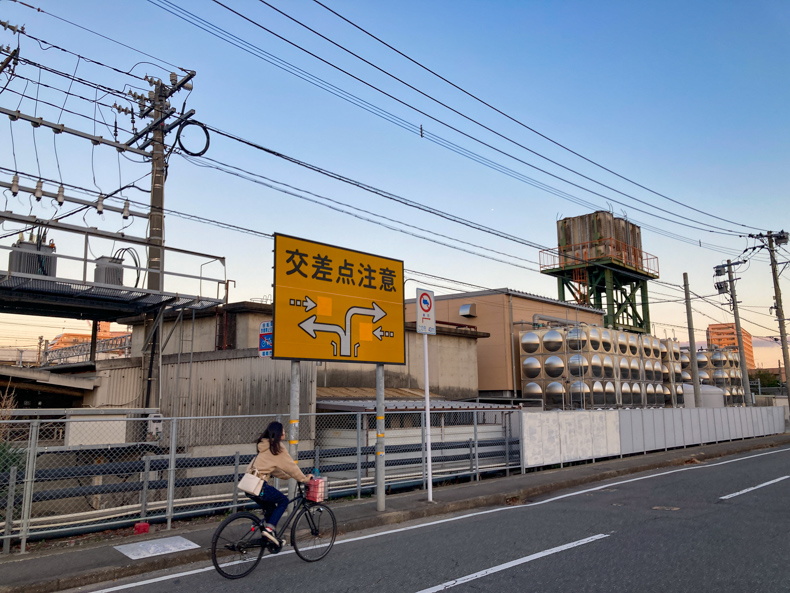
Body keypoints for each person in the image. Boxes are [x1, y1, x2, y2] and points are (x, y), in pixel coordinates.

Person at [248, 421, 311, 545]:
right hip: (260, 485)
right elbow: (291, 466)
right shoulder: (277, 448)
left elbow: (274, 468)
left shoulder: (265, 445)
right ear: (279, 433)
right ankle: (269, 529)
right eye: (283, 430)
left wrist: (287, 477)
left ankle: (267, 537)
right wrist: (304, 479)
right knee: (283, 501)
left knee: (271, 508)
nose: (285, 433)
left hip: (249, 484)